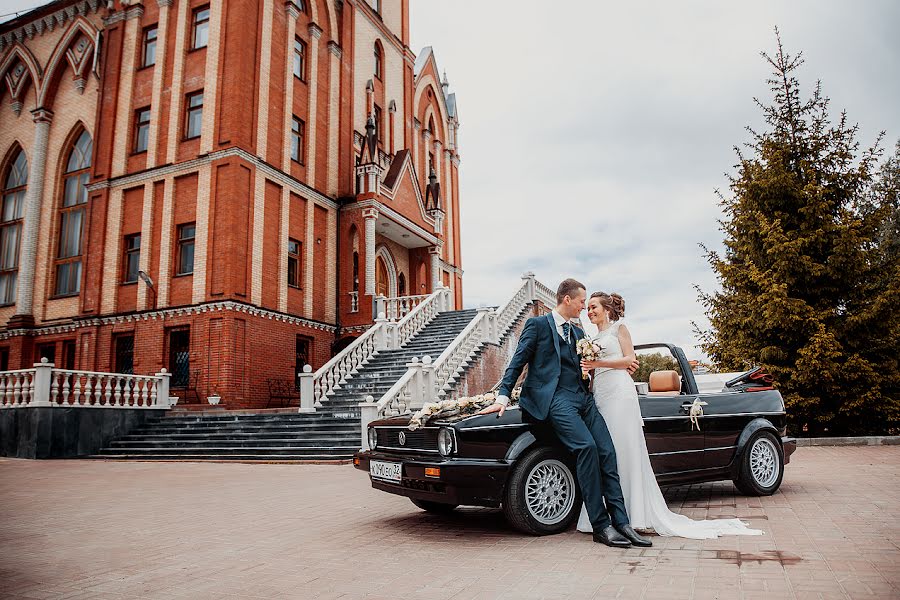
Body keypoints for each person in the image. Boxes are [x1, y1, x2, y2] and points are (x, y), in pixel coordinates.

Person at [576, 291, 763, 539]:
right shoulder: (592, 338)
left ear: (607, 309)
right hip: (600, 394)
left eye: (593, 307)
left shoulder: (620, 328)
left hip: (620, 395)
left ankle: (635, 515)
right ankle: (606, 517)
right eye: (587, 308)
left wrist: (597, 364)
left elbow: (630, 359)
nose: (589, 312)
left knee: (626, 451)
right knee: (605, 454)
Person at [478, 279, 650, 547]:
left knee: (607, 451)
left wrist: (617, 369)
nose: (584, 307)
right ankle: (601, 526)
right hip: (556, 400)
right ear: (567, 300)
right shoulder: (537, 326)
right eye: (582, 302)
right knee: (587, 448)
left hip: (584, 399)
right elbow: (517, 361)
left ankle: (622, 522)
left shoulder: (580, 335)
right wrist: (502, 395)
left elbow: (588, 367)